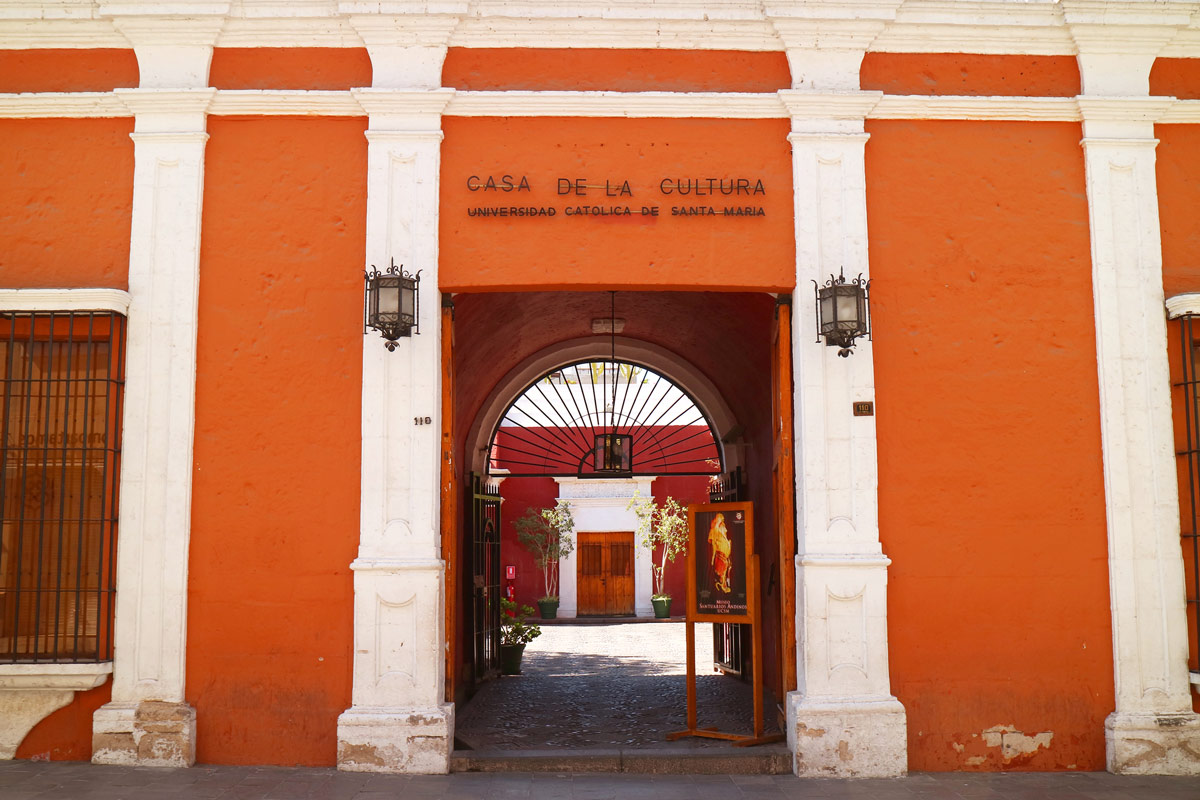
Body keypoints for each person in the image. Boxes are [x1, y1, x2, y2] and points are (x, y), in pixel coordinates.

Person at [708, 513, 732, 594]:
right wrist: (712, 557)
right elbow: (714, 545)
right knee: (722, 572)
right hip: (720, 555)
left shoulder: (722, 531)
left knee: (726, 570)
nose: (726, 530)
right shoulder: (715, 531)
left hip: (725, 554)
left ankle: (723, 585)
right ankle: (722, 585)